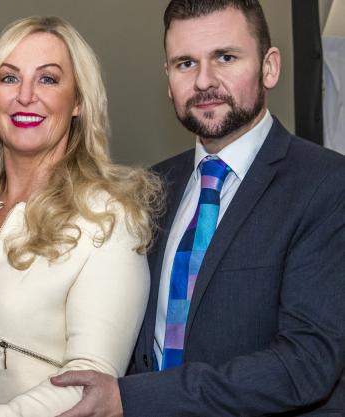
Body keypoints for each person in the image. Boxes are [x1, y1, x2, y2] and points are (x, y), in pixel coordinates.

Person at [51, 1, 345, 416]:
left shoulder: (327, 185)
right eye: (185, 63)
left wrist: (136, 399)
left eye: (225, 57)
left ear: (270, 67)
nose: (204, 81)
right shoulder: (147, 189)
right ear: (168, 81)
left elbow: (306, 365)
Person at [0, 16, 161, 417]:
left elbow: (88, 384)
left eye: (48, 79)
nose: (25, 96)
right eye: (9, 79)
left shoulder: (108, 218)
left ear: (78, 101)